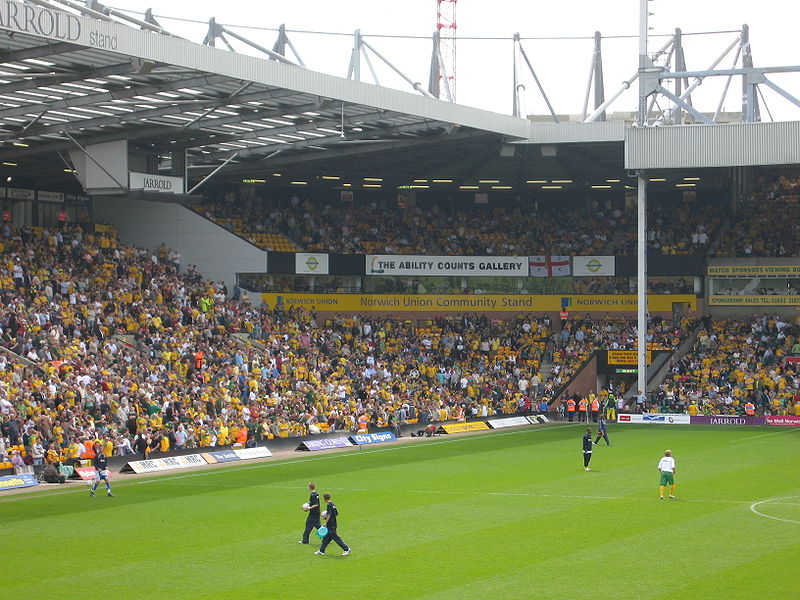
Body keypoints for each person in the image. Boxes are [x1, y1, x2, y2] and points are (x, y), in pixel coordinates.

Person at [314, 492, 351, 556]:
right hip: (333, 524)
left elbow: (329, 514)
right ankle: (321, 551)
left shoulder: (329, 505)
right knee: (326, 538)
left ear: (324, 498)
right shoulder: (333, 504)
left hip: (331, 525)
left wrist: (326, 522)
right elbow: (336, 513)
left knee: (336, 538)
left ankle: (346, 549)